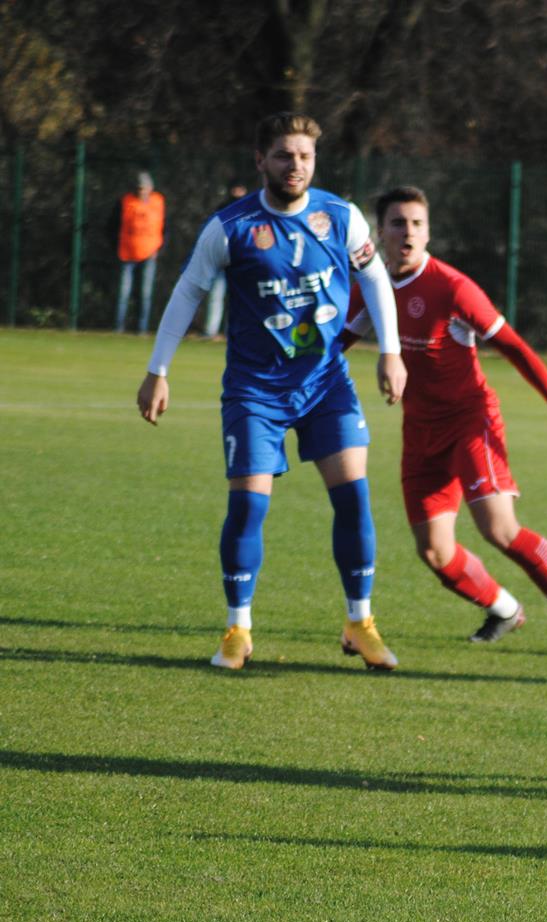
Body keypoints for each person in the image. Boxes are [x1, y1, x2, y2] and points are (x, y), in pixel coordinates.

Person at [135, 112, 405, 672]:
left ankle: (360, 622)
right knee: (248, 509)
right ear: (261, 160)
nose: (296, 166)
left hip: (325, 383)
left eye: (304, 156)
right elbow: (187, 292)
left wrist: (391, 352)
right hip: (255, 392)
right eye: (284, 155)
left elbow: (375, 278)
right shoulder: (230, 227)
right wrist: (158, 369)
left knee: (354, 498)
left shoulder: (341, 216)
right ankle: (238, 629)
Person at [341, 185, 547, 655]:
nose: (408, 232)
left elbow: (515, 347)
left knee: (499, 529)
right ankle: (504, 609)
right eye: (398, 223)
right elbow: (334, 347)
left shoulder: (452, 287)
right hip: (420, 432)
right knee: (435, 552)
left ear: (428, 232)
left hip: (471, 422)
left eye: (418, 224)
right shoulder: (370, 288)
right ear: (379, 231)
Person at [115, 171, 165, 333]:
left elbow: (165, 227)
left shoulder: (158, 202)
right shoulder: (125, 202)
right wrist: (116, 245)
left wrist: (159, 248)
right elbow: (112, 226)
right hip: (127, 253)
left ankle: (142, 329)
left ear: (150, 188)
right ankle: (119, 328)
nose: (142, 191)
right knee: (124, 293)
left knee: (145, 294)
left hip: (149, 253)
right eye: (139, 188)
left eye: (144, 188)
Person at [204, 183, 251, 339]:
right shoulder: (223, 209)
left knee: (238, 300)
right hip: (222, 259)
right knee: (216, 296)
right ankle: (211, 331)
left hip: (240, 261)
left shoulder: (251, 211)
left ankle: (235, 332)